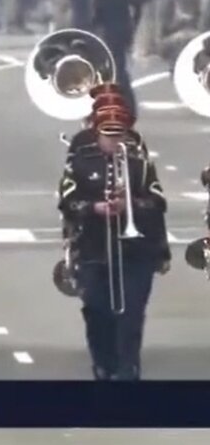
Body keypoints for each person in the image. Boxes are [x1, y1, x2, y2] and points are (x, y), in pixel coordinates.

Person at [57, 107, 167, 380]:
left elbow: (157, 202)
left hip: (135, 251)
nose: (114, 141)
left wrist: (130, 207)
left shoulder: (140, 165)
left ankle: (128, 369)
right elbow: (67, 202)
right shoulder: (81, 164)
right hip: (94, 249)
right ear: (98, 134)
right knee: (96, 311)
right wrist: (94, 208)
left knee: (131, 315)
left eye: (119, 135)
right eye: (109, 135)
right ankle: (103, 363)